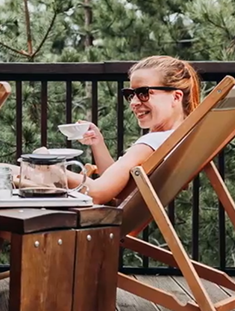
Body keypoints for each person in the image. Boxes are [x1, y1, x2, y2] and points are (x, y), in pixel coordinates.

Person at [70, 55, 200, 204]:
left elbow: (98, 192)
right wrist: (97, 142)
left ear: (176, 97)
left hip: (109, 219)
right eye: (130, 94)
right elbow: (116, 184)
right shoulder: (176, 139)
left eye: (143, 93)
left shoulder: (152, 143)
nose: (134, 102)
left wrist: (51, 172)